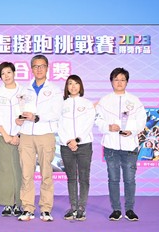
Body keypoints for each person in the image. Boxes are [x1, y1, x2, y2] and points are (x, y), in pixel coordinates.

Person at [94, 67, 146, 221]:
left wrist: (132, 130)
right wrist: (108, 127)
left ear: (127, 82)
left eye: (122, 80)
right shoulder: (104, 100)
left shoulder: (135, 101)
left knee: (130, 179)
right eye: (116, 79)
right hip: (111, 146)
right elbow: (98, 120)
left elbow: (142, 120)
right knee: (113, 179)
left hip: (130, 146)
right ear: (111, 81)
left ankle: (130, 209)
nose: (119, 82)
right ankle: (116, 209)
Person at [16, 55, 63, 222]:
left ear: (47, 68)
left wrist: (37, 117)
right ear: (31, 69)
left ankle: (45, 208)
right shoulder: (23, 90)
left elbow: (57, 113)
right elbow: (19, 111)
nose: (39, 69)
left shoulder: (55, 90)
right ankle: (27, 208)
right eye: (35, 66)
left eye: (42, 66)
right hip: (27, 135)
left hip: (45, 134)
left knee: (46, 173)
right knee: (26, 174)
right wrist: (19, 119)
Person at [58, 75, 95, 221]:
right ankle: (73, 207)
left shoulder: (87, 104)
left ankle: (81, 208)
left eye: (76, 83)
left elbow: (88, 124)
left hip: (84, 145)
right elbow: (58, 125)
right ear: (67, 87)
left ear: (81, 86)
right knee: (71, 178)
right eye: (70, 84)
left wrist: (77, 140)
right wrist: (68, 141)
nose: (73, 86)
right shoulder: (61, 104)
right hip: (66, 146)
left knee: (84, 177)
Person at [0, 62, 24, 217]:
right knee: (4, 171)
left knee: (19, 170)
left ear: (14, 72)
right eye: (3, 73)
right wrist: (5, 135)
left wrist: (18, 135)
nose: (6, 76)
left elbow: (27, 114)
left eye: (9, 72)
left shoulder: (24, 92)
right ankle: (6, 203)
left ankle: (18, 203)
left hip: (21, 137)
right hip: (2, 135)